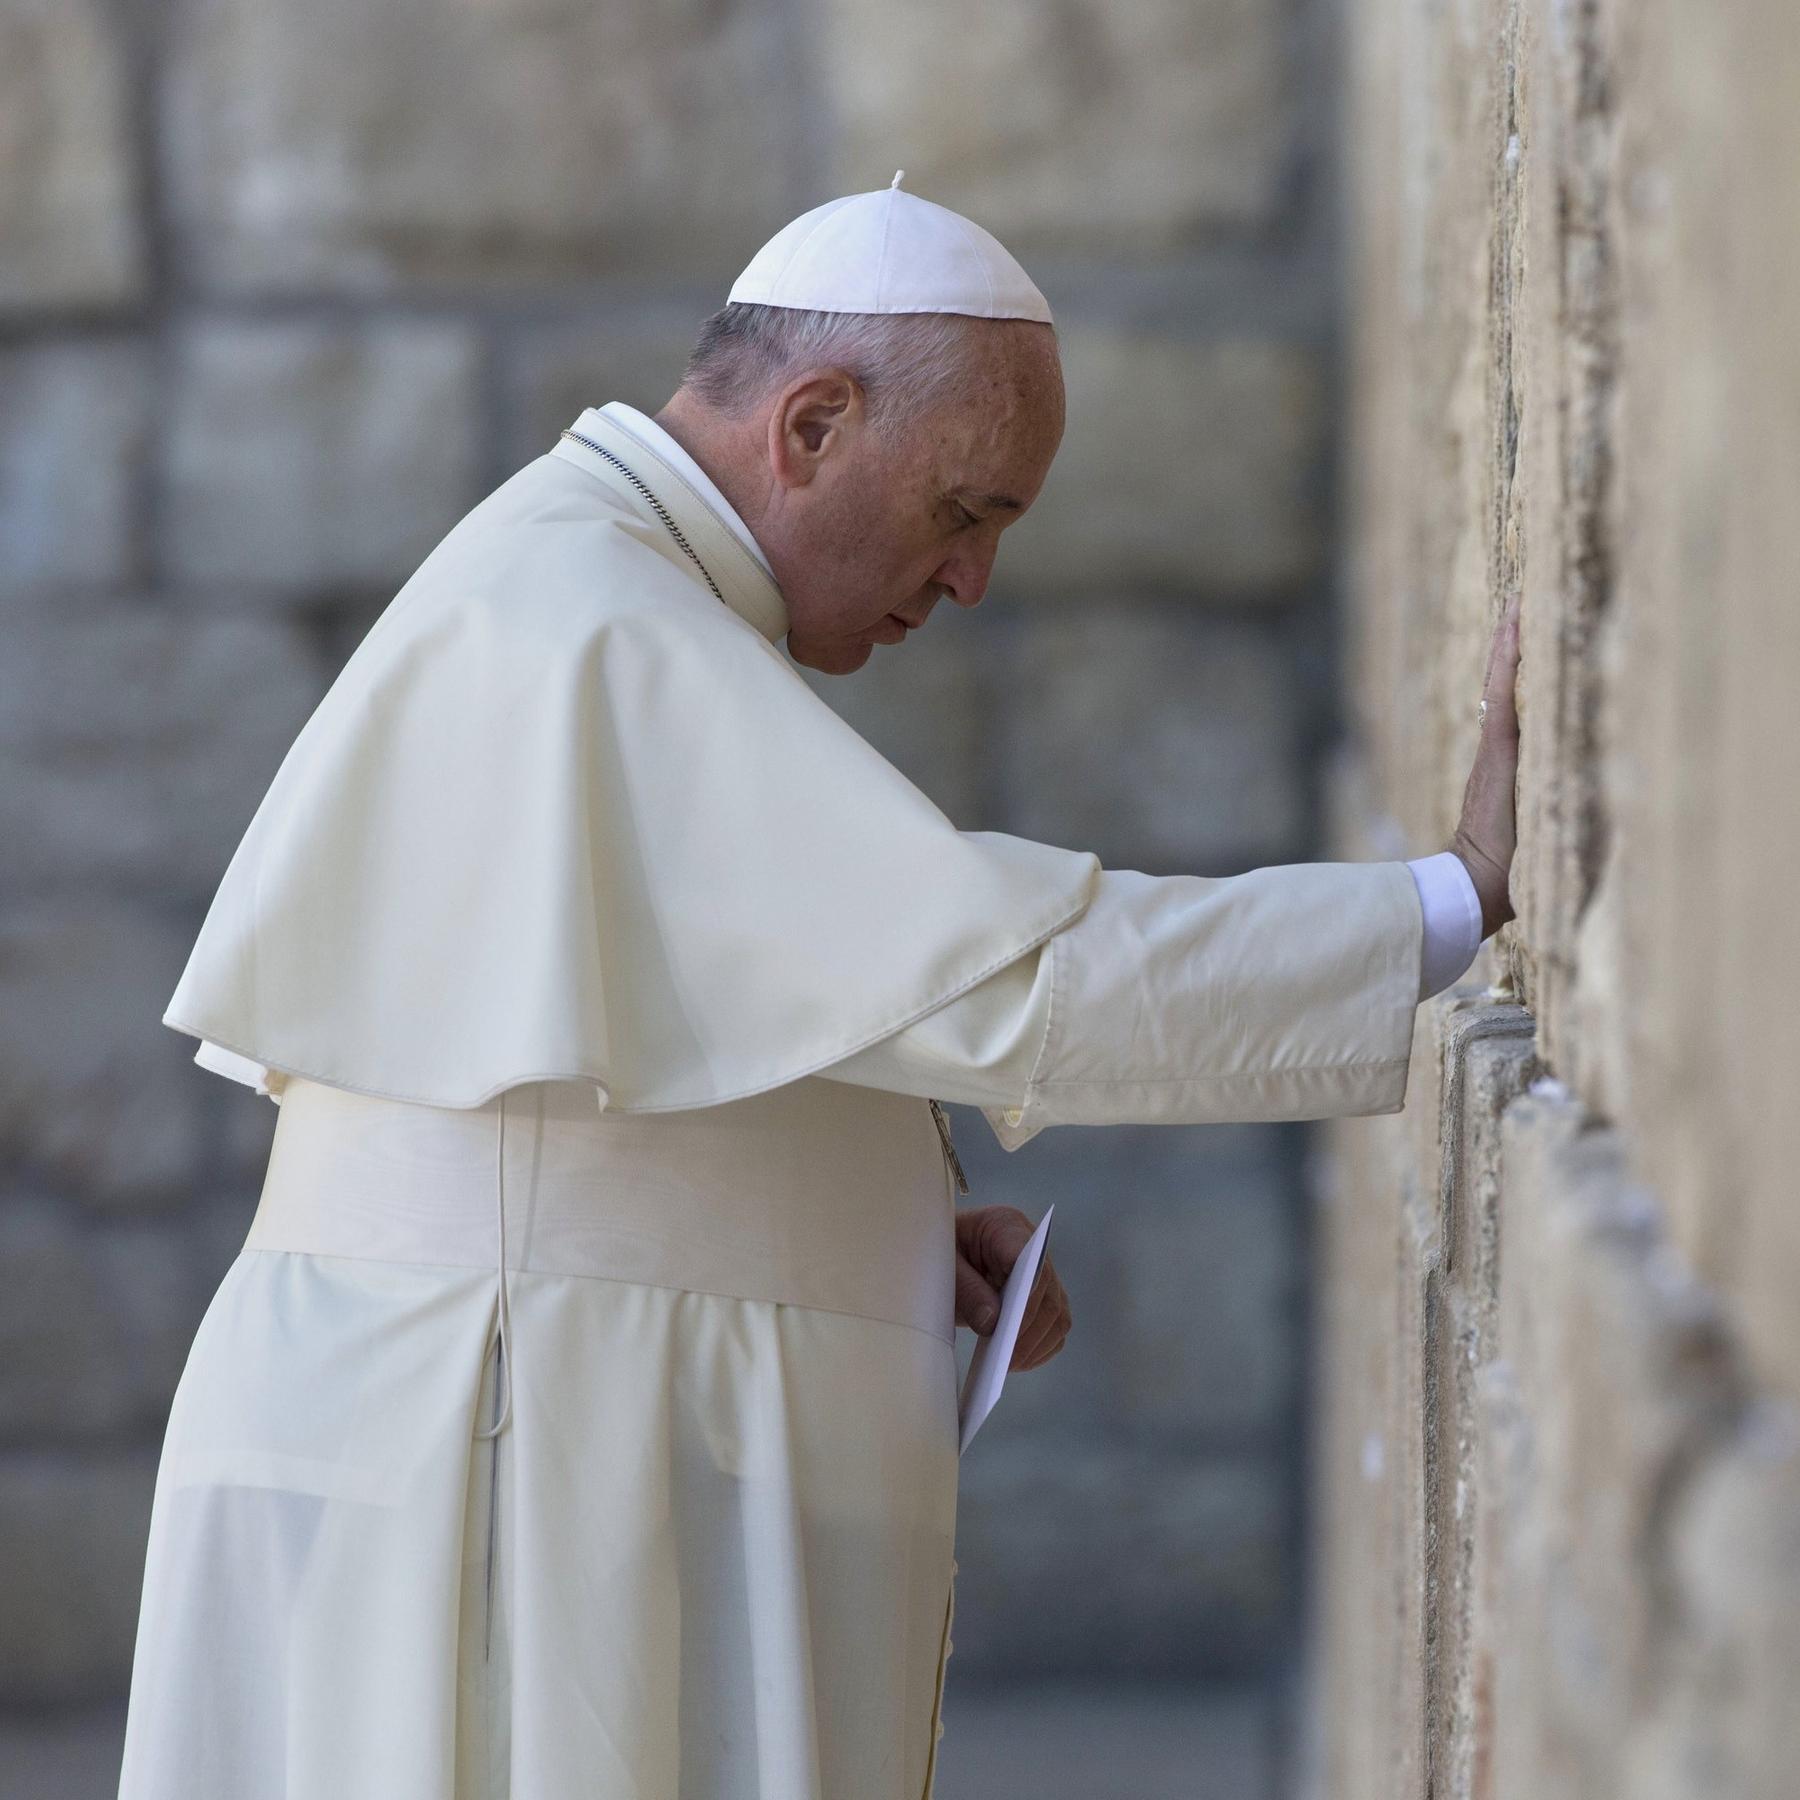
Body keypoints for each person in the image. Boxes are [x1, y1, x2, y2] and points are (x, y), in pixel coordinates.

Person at [116, 175, 1521, 1800]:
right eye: (966, 510)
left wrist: (871, 1223)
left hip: (485, 1424)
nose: (972, 579)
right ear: (813, 427)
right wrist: (1452, 901)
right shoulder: (597, 626)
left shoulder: (595, 582)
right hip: (475, 1469)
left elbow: (609, 1083)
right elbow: (1009, 977)